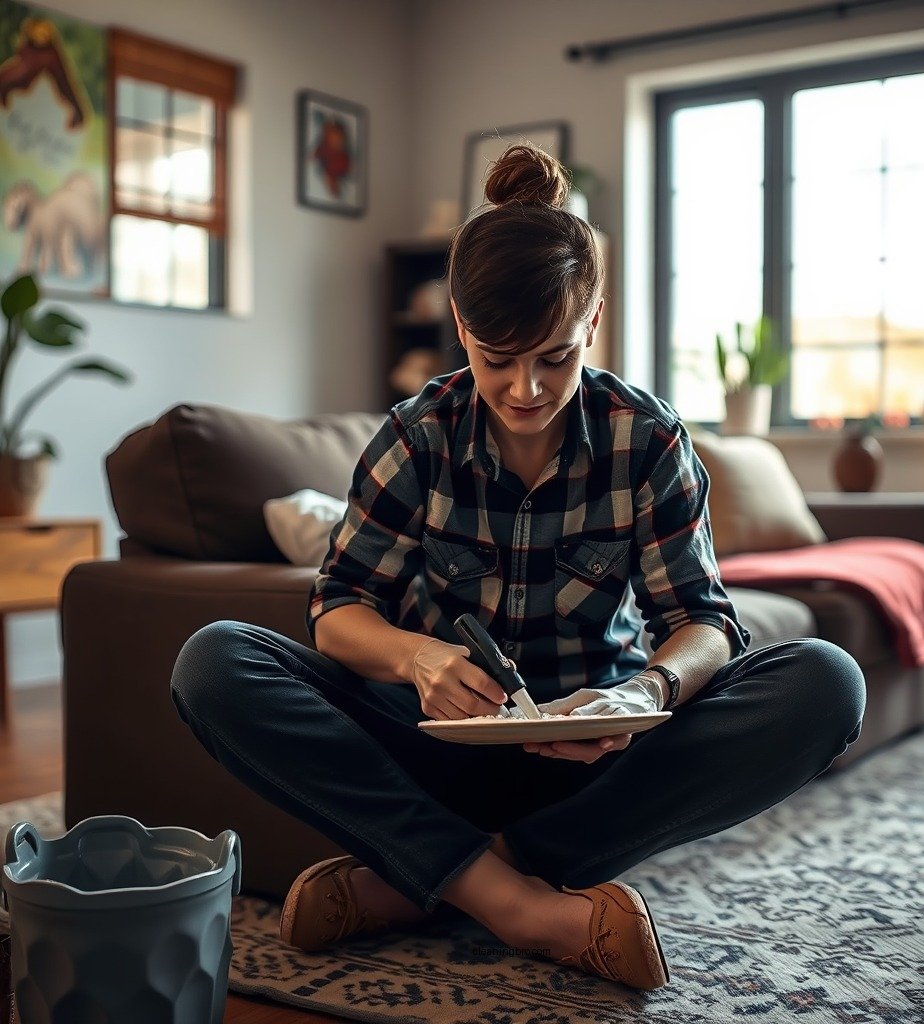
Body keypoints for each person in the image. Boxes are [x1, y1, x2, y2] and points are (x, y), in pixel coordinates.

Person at [169, 144, 866, 992]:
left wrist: (645, 692)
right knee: (213, 661)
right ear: (461, 325)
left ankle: (426, 881)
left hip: (596, 760)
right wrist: (417, 659)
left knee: (826, 681)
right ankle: (519, 902)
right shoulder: (415, 436)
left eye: (555, 358)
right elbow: (338, 608)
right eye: (497, 359)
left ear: (594, 322)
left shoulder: (647, 441)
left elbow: (704, 623)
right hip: (434, 741)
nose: (527, 390)